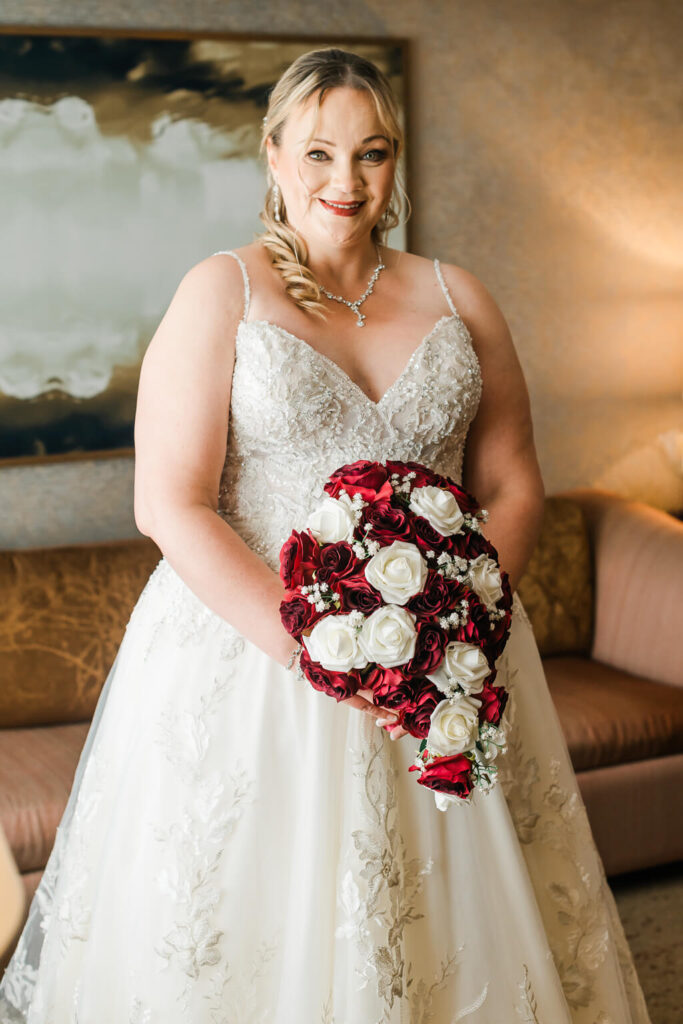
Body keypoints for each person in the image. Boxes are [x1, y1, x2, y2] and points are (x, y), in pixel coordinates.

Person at [0, 47, 651, 1024]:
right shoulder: (221, 291)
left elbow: (513, 482)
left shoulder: (458, 297)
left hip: (445, 663)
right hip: (257, 654)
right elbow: (169, 503)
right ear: (271, 156)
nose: (344, 182)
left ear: (395, 163)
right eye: (316, 153)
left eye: (371, 153)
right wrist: (317, 650)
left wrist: (452, 623)